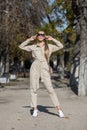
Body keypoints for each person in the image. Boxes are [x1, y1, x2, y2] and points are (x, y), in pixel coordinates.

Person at [19, 31, 64, 118]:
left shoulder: (50, 47)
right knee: (33, 88)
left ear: (44, 36)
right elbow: (21, 46)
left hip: (45, 67)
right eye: (38, 34)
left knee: (50, 89)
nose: (40, 36)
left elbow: (61, 46)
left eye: (42, 34)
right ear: (37, 36)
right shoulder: (33, 46)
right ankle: (35, 109)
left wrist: (52, 39)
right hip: (35, 67)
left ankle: (59, 109)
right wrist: (29, 40)